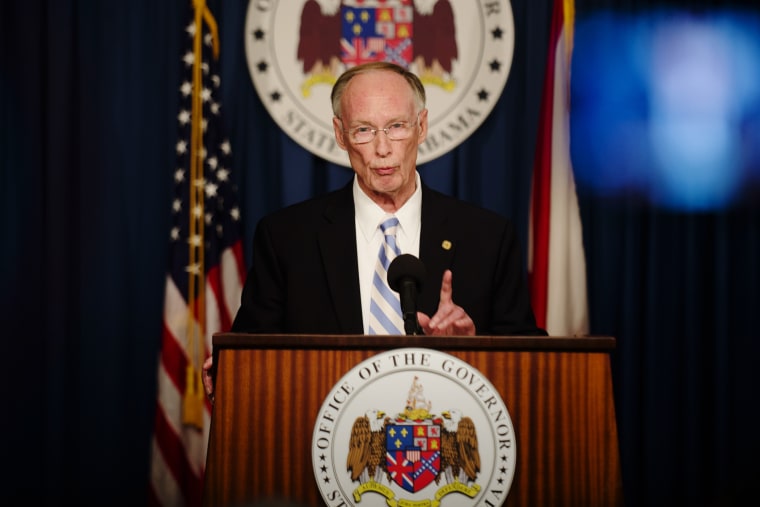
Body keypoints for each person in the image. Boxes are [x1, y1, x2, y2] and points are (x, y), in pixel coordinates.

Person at [203, 61, 545, 397]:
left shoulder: (487, 237)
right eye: (364, 130)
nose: (383, 149)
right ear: (340, 134)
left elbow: (534, 363)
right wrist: (230, 369)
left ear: (421, 126)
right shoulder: (286, 238)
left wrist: (475, 348)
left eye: (397, 126)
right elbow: (250, 356)